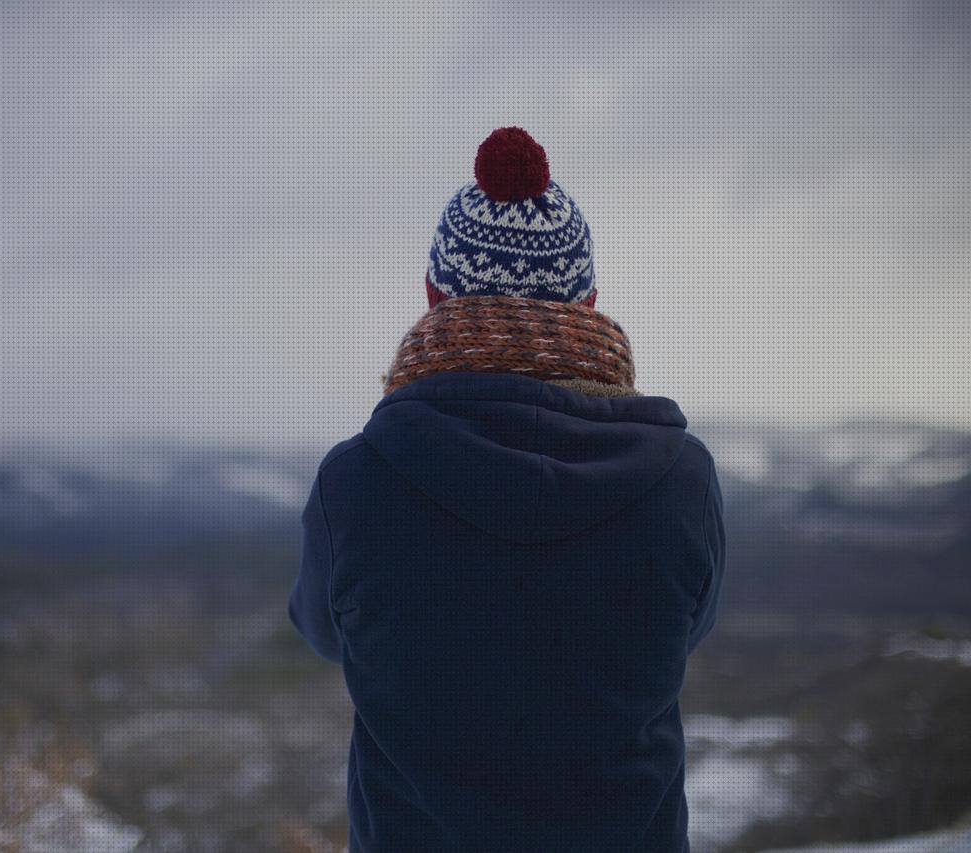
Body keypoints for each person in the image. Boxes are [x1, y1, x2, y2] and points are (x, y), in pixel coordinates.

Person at [288, 127, 727, 853]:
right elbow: (689, 627)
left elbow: (327, 631)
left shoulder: (354, 483)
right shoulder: (682, 478)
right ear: (588, 300)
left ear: (434, 296)